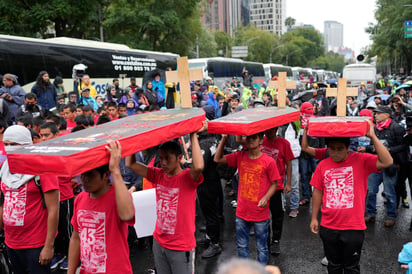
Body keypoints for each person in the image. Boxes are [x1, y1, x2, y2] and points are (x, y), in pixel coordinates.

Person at [310, 121, 393, 274]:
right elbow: (317, 192)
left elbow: (387, 161)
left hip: (353, 228)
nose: (335, 153)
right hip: (329, 226)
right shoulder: (323, 165)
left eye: (340, 149)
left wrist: (373, 137)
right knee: (333, 266)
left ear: (348, 148)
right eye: (332, 149)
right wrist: (314, 218)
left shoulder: (361, 160)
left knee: (351, 268)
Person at [125, 122, 206, 274]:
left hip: (181, 247)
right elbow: (130, 164)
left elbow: (199, 166)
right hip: (159, 242)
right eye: (161, 158)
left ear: (179, 157)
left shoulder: (187, 178)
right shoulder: (158, 175)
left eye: (167, 158)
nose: (163, 162)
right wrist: (133, 139)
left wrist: (193, 135)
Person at [67, 141, 135, 274]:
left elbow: (127, 215)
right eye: (83, 174)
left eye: (90, 175)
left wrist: (115, 170)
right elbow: (76, 237)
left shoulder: (118, 195)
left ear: (105, 176)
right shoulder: (80, 198)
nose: (84, 179)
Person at [0, 125, 60, 274]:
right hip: (11, 242)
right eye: (6, 144)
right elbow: (3, 200)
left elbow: (54, 209)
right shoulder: (4, 168)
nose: (9, 148)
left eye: (14, 144)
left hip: (35, 244)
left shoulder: (43, 168)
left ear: (26, 144)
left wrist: (48, 246)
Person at [214, 132, 280, 265]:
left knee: (262, 248)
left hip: (260, 213)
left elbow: (275, 184)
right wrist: (225, 138)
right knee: (242, 246)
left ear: (261, 141)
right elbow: (217, 159)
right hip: (242, 212)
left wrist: (266, 198)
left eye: (254, 137)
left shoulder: (269, 161)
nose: (250, 140)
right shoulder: (240, 156)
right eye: (248, 137)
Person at [363, 105, 406, 227]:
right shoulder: (374, 128)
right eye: (375, 113)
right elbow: (371, 145)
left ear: (387, 115)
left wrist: (389, 150)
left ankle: (391, 216)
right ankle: (371, 214)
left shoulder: (396, 128)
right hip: (375, 164)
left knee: (389, 192)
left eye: (378, 113)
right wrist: (371, 148)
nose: (375, 115)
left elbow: (403, 146)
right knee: (371, 190)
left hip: (390, 166)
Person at [261, 127, 294, 255]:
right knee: (262, 215)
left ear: (276, 129)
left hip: (277, 186)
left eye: (271, 130)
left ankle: (275, 241)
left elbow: (289, 164)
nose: (268, 133)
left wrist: (289, 183)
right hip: (261, 185)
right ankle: (265, 239)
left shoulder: (284, 144)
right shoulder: (260, 141)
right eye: (266, 130)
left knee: (277, 215)